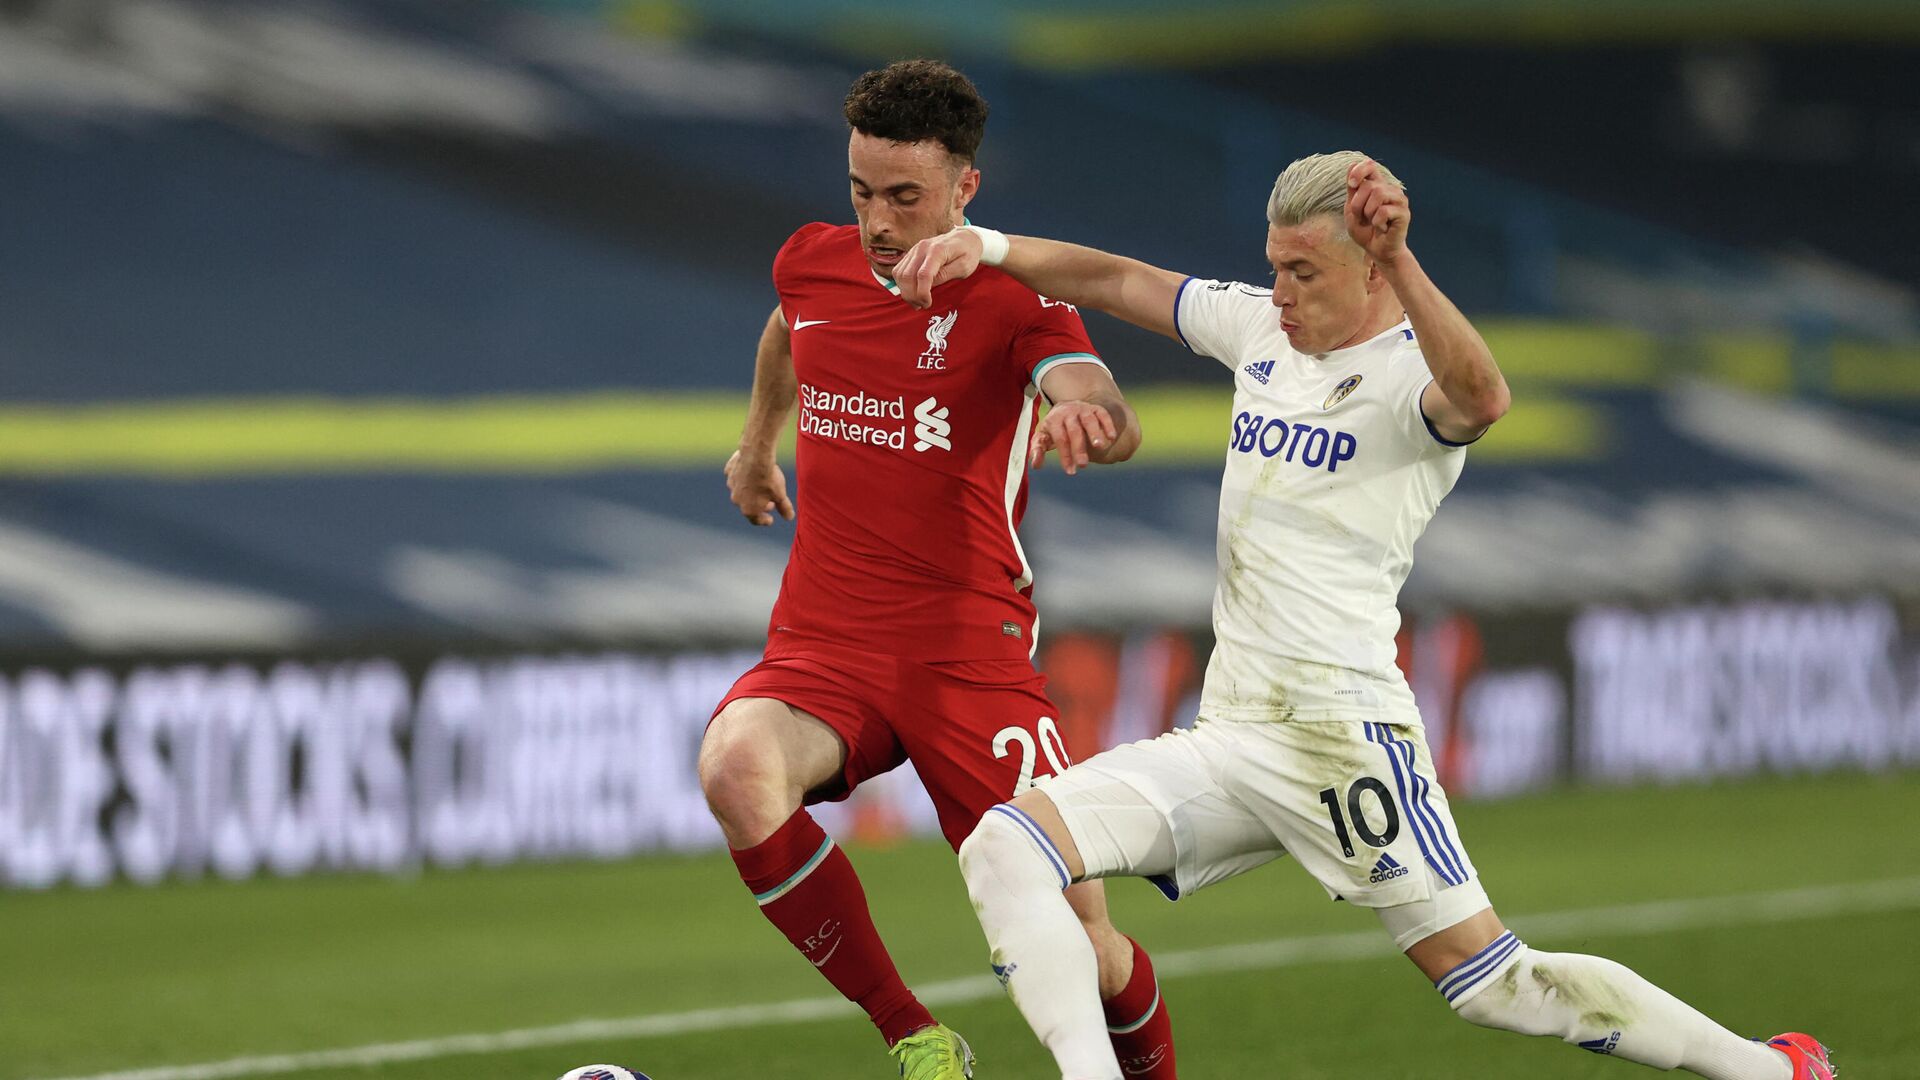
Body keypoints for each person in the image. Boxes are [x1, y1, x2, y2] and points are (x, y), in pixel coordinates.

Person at [894, 152, 1835, 1080]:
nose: (1282, 291)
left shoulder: (1406, 377)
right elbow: (1119, 279)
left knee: (1493, 986)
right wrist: (989, 243)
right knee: (1006, 845)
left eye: (1304, 272)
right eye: (1275, 266)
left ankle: (1770, 1071)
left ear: (1373, 268)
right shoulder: (1261, 331)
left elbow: (1484, 397)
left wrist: (1410, 261)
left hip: (1343, 738)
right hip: (1232, 738)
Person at [700, 59, 1181, 1080]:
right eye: (861, 192)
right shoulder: (812, 263)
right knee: (737, 768)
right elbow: (790, 327)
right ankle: (914, 1036)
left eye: (904, 197)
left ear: (967, 188)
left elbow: (1093, 386)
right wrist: (756, 444)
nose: (877, 221)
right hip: (826, 642)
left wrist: (1089, 412)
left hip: (971, 654)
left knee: (1084, 952)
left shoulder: (1015, 296)